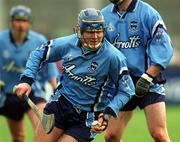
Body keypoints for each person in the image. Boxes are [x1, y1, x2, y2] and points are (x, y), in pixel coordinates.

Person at [14, 8, 135, 142]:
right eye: (90, 32)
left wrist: (108, 112)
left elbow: (127, 90)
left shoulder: (114, 57)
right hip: (60, 106)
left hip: (87, 118)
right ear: (79, 30)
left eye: (98, 31)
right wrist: (26, 80)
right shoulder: (67, 44)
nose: (95, 37)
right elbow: (38, 54)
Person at [101, 0, 173, 142]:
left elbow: (164, 48)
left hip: (148, 79)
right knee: (111, 137)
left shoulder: (148, 13)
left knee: (159, 134)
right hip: (121, 83)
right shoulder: (103, 16)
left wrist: (147, 77)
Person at [0, 5, 58, 142]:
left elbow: (50, 69)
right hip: (9, 94)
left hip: (34, 92)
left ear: (29, 23)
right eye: (18, 20)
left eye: (24, 21)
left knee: (43, 131)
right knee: (18, 137)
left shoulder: (39, 40)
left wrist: (56, 89)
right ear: (11, 22)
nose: (21, 24)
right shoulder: (1, 40)